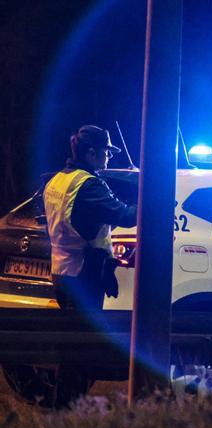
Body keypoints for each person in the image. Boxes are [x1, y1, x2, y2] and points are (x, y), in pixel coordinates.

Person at [43, 125, 137, 310]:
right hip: (83, 274)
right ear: (92, 154)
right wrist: (151, 199)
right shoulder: (89, 186)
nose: (109, 157)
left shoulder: (58, 179)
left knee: (72, 333)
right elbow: (126, 217)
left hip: (61, 272)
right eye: (107, 151)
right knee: (83, 335)